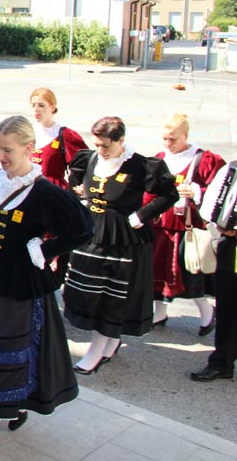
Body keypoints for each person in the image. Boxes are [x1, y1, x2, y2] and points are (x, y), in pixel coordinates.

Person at [0, 116, 93, 460]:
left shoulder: (46, 193)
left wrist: (44, 249)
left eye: (8, 150)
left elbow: (82, 230)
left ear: (29, 149)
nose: (0, 156)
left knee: (7, 357)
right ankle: (7, 407)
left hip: (18, 288)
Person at [63, 117, 178, 373]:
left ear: (121, 140)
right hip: (92, 234)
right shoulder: (89, 159)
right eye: (97, 145)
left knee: (110, 298)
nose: (100, 150)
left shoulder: (140, 165)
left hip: (122, 239)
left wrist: (142, 215)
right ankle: (110, 341)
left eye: (106, 146)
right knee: (90, 293)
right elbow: (73, 180)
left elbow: (169, 194)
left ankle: (97, 350)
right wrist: (80, 195)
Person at [149, 114, 225, 333]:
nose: (168, 144)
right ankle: (160, 312)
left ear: (185, 135)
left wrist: (196, 191)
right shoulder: (159, 158)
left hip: (188, 228)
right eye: (164, 138)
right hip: (161, 225)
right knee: (158, 270)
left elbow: (221, 190)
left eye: (173, 139)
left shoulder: (205, 160)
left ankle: (206, 311)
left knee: (189, 272)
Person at [190, 162, 237, 382]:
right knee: (227, 307)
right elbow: (211, 205)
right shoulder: (232, 170)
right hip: (232, 247)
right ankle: (222, 363)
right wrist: (219, 222)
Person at [29, 88, 86, 189]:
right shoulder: (25, 132)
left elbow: (83, 164)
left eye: (41, 105)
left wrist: (76, 186)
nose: (36, 109)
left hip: (54, 191)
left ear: (52, 107)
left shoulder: (64, 134)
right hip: (26, 191)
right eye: (33, 105)